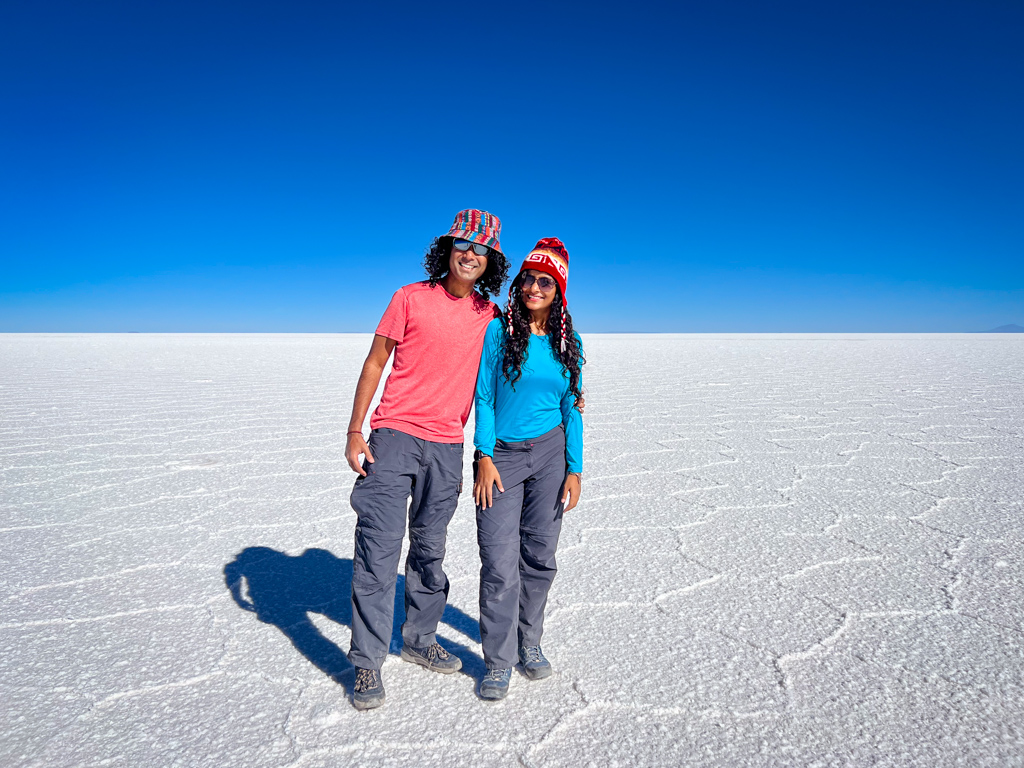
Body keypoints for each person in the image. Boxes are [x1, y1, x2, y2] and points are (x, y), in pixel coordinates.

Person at [345, 209, 508, 710]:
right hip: (393, 436)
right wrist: (356, 428)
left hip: (447, 446)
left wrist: (575, 393)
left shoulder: (490, 317)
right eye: (463, 244)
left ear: (490, 262)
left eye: (481, 249)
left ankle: (419, 639)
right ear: (447, 249)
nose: (470, 254)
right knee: (378, 549)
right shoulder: (410, 297)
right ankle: (368, 664)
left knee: (429, 550)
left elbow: (519, 365)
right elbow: (375, 362)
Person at [472, 237, 584, 700]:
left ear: (558, 292)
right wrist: (483, 455)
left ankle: (529, 643)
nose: (535, 287)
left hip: (551, 456)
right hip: (502, 457)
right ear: (518, 284)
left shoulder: (569, 342)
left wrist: (575, 468)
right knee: (499, 562)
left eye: (546, 282)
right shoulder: (500, 331)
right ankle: (498, 661)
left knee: (539, 559)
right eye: (529, 279)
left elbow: (572, 407)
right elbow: (483, 395)